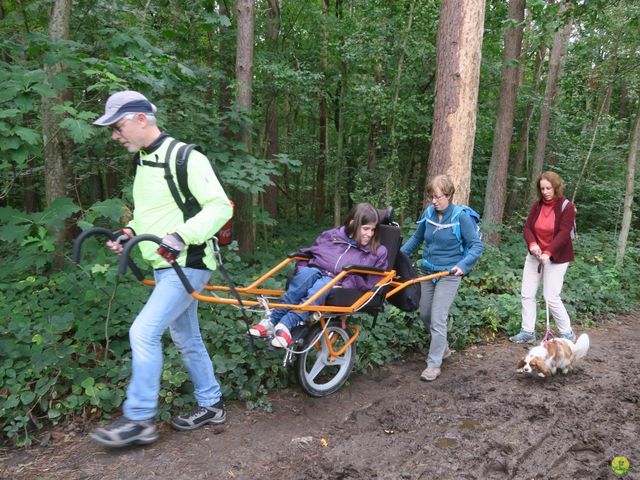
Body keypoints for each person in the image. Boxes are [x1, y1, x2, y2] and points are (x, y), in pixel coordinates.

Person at [89, 91, 234, 448]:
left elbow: (220, 207)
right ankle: (211, 403)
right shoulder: (142, 161)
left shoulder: (186, 157)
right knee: (186, 337)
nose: (114, 135)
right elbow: (150, 214)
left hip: (190, 263)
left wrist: (182, 236)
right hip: (164, 265)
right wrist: (129, 232)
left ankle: (138, 420)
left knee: (143, 331)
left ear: (141, 119)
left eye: (118, 126)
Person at [249, 203, 388, 348]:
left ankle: (286, 325)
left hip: (341, 281)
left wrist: (346, 283)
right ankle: (271, 321)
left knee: (321, 286)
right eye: (366, 229)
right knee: (305, 277)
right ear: (353, 224)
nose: (370, 234)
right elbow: (308, 254)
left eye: (373, 229)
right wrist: (301, 271)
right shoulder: (331, 236)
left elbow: (373, 280)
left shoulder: (377, 251)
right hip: (316, 271)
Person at [401, 175, 483, 382]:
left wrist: (462, 266)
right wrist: (398, 257)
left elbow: (476, 245)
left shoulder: (460, 217)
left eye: (438, 197)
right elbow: (417, 239)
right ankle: (443, 347)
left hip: (449, 274)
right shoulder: (428, 213)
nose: (434, 201)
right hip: (428, 271)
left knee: (438, 317)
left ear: (449, 195)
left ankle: (433, 364)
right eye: (431, 197)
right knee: (425, 314)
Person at [510, 171, 576, 344]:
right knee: (527, 294)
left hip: (557, 257)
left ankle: (567, 332)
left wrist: (549, 252)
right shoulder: (537, 205)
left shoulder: (566, 206)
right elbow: (527, 228)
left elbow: (564, 233)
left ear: (556, 187)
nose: (545, 191)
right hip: (535, 255)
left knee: (551, 296)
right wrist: (532, 245)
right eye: (542, 188)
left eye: (548, 188)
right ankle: (527, 331)